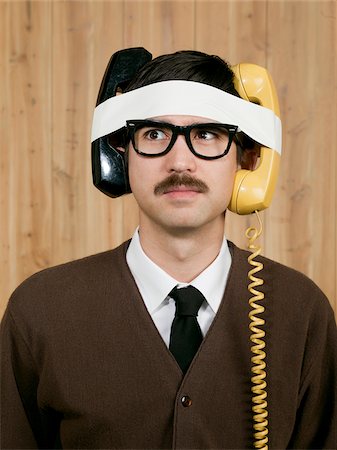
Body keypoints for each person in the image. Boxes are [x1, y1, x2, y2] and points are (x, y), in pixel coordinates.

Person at [1, 49, 336, 450]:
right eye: (155, 134)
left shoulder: (301, 311)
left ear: (248, 158)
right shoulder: (40, 310)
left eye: (207, 134)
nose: (181, 161)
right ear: (120, 154)